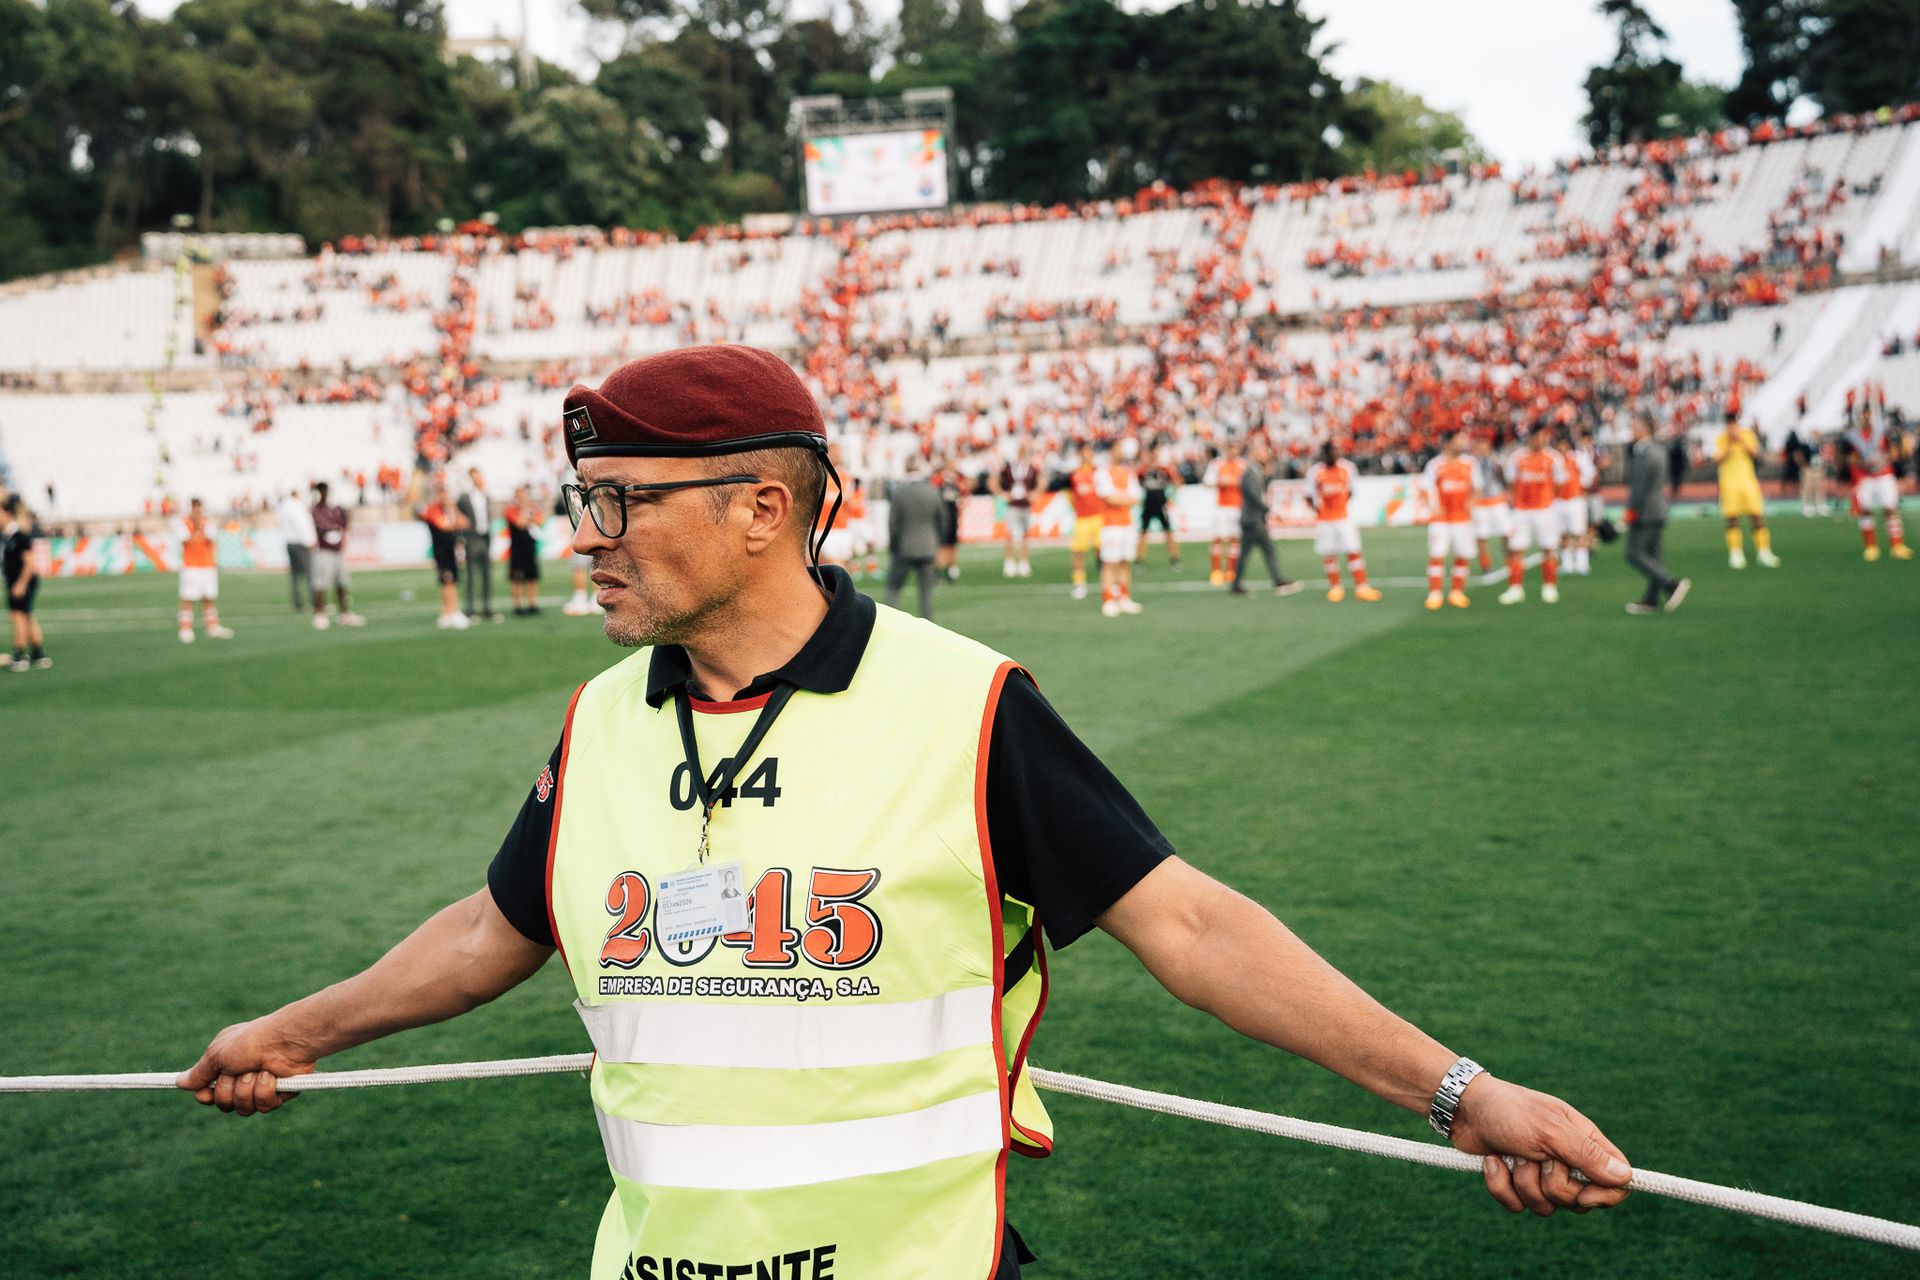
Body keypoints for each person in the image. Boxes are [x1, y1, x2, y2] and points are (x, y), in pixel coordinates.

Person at [181, 346, 1634, 1280]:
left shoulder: (968, 704)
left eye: (620, 500)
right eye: (582, 498)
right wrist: (294, 1031)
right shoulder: (600, 719)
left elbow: (1189, 925)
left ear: (763, 509)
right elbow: (495, 930)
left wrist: (1461, 1095)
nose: (582, 538)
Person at [1622, 416, 1691, 616]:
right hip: (1659, 508)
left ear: (1644, 429)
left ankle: (1671, 584)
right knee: (1654, 556)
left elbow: (1639, 486)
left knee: (1634, 554)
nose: (1632, 431)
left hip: (1645, 511)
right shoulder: (1659, 449)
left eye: (1634, 427)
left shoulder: (1643, 452)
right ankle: (1651, 599)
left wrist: (1631, 510)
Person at [1305, 441, 1380, 603]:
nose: (1333, 455)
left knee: (1353, 550)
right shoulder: (1315, 472)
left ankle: (1362, 587)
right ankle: (1335, 587)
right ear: (1323, 454)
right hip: (1325, 520)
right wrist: (1319, 511)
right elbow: (1309, 495)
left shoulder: (1348, 468)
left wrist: (1341, 506)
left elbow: (1351, 490)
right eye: (1329, 453)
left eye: (1335, 452)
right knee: (1329, 553)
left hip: (1344, 518)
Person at [1230, 438, 1303, 598]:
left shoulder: (1255, 471)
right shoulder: (1251, 472)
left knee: (1255, 551)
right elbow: (1253, 496)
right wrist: (1267, 510)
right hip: (1252, 519)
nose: (1266, 455)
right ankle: (1277, 581)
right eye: (1263, 452)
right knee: (1263, 550)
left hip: (1252, 518)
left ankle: (1239, 583)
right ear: (1255, 454)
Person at [1499, 430, 1564, 606]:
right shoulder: (1516, 458)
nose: (1541, 440)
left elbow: (1559, 483)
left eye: (1543, 437)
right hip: (1522, 510)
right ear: (1530, 438)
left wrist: (1548, 500)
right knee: (1516, 548)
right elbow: (1511, 482)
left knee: (1548, 547)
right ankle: (1515, 588)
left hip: (1545, 510)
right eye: (1537, 437)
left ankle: (1550, 586)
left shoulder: (1554, 458)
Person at [1420, 432, 1478, 610]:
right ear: (1448, 443)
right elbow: (1424, 489)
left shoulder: (1470, 463)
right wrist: (1431, 507)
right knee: (1437, 554)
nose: (1462, 443)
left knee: (1462, 554)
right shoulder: (1435, 465)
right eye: (1458, 440)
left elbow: (1477, 488)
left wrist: (1472, 503)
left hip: (1462, 518)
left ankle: (1457, 592)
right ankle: (1435, 593)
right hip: (1441, 519)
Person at [1712, 415, 1778, 569]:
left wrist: (1740, 440)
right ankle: (1736, 553)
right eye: (1729, 425)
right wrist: (1730, 443)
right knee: (1732, 518)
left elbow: (1755, 455)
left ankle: (1764, 552)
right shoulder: (1721, 439)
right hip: (1729, 483)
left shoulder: (1747, 436)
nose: (1732, 427)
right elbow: (1718, 460)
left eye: (1734, 424)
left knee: (1757, 516)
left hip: (1748, 482)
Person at [1844, 411, 1911, 561]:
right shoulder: (1853, 436)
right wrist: (1861, 462)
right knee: (1865, 510)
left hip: (1884, 475)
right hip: (1864, 477)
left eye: (1869, 415)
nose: (1866, 418)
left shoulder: (1883, 432)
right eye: (1863, 415)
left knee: (1890, 509)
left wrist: (1884, 460)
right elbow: (1848, 457)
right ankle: (1871, 546)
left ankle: (1897, 545)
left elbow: (1895, 451)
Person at [886, 456, 942, 619]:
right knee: (926, 593)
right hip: (928, 547)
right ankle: (929, 626)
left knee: (893, 589)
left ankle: (890, 622)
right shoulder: (932, 491)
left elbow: (893, 523)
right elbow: (941, 520)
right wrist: (936, 542)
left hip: (904, 547)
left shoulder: (899, 492)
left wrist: (893, 545)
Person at [176, 498, 234, 643]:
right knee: (188, 597)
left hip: (208, 565)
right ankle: (185, 628)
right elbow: (185, 539)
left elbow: (210, 537)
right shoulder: (183, 523)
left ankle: (212, 626)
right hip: (191, 566)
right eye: (194, 507)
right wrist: (197, 528)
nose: (197, 510)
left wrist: (200, 529)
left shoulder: (208, 522)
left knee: (209, 597)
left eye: (199, 507)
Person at [1092, 451, 1142, 617]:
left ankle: (1124, 597)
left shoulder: (1128, 472)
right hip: (1110, 525)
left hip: (1127, 524)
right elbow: (1108, 498)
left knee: (1125, 562)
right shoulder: (1103, 472)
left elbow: (1136, 497)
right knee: (1110, 563)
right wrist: (1125, 498)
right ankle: (1108, 599)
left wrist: (1120, 498)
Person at [309, 482, 365, 630]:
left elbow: (344, 523)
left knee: (342, 582)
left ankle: (345, 613)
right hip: (324, 550)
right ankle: (320, 614)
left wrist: (335, 526)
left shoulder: (336, 508)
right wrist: (333, 526)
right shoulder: (316, 509)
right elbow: (322, 525)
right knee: (321, 583)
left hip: (338, 550)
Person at [4, 497, 49, 671]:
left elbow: (30, 562)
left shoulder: (19, 536)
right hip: (18, 580)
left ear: (7, 513)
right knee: (27, 614)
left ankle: (20, 653)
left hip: (21, 581)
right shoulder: (9, 536)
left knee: (18, 616)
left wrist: (21, 583)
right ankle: (38, 652)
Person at [419, 479, 470, 630]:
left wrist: (454, 509)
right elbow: (444, 525)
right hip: (441, 551)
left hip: (451, 550)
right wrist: (455, 523)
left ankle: (451, 611)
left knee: (452, 581)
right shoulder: (432, 509)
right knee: (447, 581)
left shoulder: (450, 510)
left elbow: (465, 523)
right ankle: (449, 612)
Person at [991, 443, 1041, 578]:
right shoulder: (1009, 468)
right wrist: (1002, 493)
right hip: (1012, 505)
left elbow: (1040, 482)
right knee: (1010, 534)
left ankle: (1024, 562)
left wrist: (1035, 493)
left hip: (1025, 505)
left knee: (1026, 534)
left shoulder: (1031, 468)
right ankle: (1010, 562)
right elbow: (994, 480)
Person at [459, 467, 501, 621]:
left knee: (487, 574)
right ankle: (470, 609)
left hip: (485, 537)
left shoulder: (485, 496)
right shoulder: (465, 498)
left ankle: (486, 607)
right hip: (472, 538)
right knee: (471, 574)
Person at [1202, 443, 1245, 585]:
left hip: (1237, 507)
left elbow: (1248, 483)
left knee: (1235, 538)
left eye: (1234, 449)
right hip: (1220, 507)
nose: (1232, 452)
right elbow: (1206, 482)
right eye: (1229, 449)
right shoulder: (1216, 464)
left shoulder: (1243, 465)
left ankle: (1231, 570)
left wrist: (1237, 483)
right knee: (1218, 537)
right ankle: (1216, 570)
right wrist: (1220, 482)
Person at [1063, 451, 1103, 600]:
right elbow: (1068, 493)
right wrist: (1076, 505)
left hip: (1098, 517)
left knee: (1102, 552)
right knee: (1078, 552)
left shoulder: (1098, 473)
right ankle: (1079, 583)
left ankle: (1107, 581)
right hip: (1082, 519)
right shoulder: (1074, 474)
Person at [1556, 432, 1597, 576]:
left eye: (1563, 444)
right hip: (1558, 500)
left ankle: (1582, 563)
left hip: (1575, 499)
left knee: (1579, 531)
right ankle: (1566, 564)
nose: (1561, 447)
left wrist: (1582, 486)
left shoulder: (1578, 457)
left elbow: (1590, 473)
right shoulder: (1555, 459)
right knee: (1563, 533)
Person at [1470, 435, 1511, 574]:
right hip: (1480, 504)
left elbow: (1505, 478)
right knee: (1481, 535)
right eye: (1479, 449)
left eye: (1485, 448)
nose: (1482, 451)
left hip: (1497, 500)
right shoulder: (1471, 464)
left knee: (1505, 532)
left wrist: (1508, 493)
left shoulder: (1497, 461)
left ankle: (1511, 561)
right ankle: (1485, 564)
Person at [1135, 450, 1180, 569]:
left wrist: (1172, 495)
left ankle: (1174, 559)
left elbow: (1177, 482)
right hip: (1148, 504)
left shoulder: (1164, 469)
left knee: (1168, 532)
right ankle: (1139, 560)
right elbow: (1134, 480)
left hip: (1161, 505)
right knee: (1143, 532)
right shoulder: (1143, 470)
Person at [276, 489, 315, 614]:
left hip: (289, 543)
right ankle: (315, 601)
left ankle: (297, 603)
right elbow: (302, 525)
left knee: (295, 575)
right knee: (310, 573)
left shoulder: (283, 508)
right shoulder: (297, 507)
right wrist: (309, 541)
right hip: (300, 543)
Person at [505, 485, 543, 615]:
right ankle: (518, 605)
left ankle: (532, 603)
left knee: (532, 576)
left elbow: (539, 520)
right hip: (517, 548)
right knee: (517, 577)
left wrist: (529, 519)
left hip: (530, 547)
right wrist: (528, 516)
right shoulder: (511, 509)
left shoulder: (533, 507)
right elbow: (519, 522)